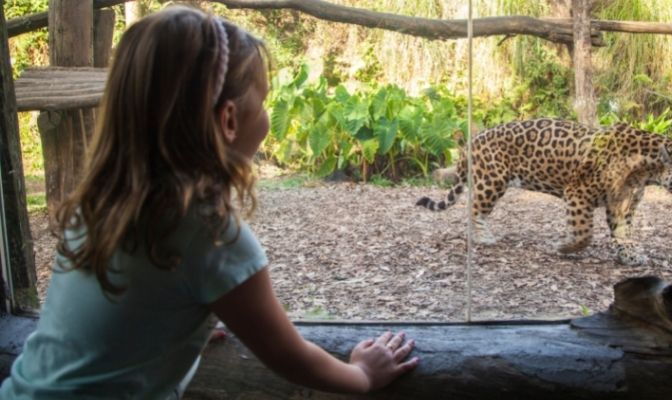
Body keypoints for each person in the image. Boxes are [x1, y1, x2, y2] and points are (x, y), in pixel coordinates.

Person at [0, 5, 418, 399]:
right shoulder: (209, 233)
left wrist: (181, 322)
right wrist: (361, 376)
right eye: (265, 100)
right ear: (230, 120)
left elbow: (123, 316)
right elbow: (288, 355)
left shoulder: (100, 204)